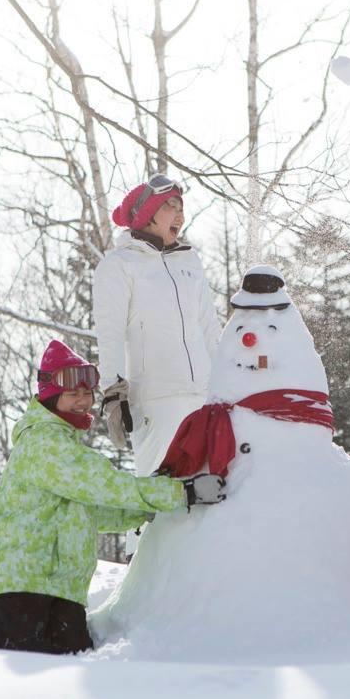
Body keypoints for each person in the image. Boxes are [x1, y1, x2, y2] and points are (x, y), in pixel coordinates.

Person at [0, 339, 227, 654]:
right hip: (23, 574)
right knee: (20, 643)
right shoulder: (43, 442)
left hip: (65, 582)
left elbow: (88, 511)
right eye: (72, 394)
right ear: (51, 397)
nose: (82, 401)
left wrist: (142, 512)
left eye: (87, 394)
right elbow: (106, 484)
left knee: (71, 646)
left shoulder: (69, 446)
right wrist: (178, 492)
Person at [93, 174, 222, 477]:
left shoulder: (189, 261)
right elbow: (109, 332)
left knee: (211, 494)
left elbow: (208, 327)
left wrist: (225, 383)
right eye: (170, 206)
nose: (180, 214)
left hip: (204, 397)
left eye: (181, 207)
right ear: (148, 214)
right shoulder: (119, 265)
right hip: (156, 400)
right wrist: (112, 390)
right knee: (161, 498)